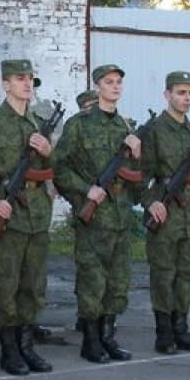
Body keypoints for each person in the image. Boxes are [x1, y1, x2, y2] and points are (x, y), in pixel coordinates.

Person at [0, 59, 53, 375]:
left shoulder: (39, 123)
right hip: (9, 213)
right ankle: (9, 351)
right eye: (20, 79)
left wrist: (47, 151)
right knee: (8, 285)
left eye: (31, 78)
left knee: (34, 285)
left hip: (37, 214)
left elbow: (51, 170)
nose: (27, 84)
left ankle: (27, 346)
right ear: (6, 84)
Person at [53, 64, 140, 364]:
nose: (115, 87)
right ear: (98, 86)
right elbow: (59, 168)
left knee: (118, 281)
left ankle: (108, 337)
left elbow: (137, 177)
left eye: (118, 82)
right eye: (109, 82)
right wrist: (84, 191)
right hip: (94, 216)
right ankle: (91, 341)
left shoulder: (127, 128)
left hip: (120, 216)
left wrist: (137, 155)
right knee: (93, 281)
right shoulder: (79, 124)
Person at [140, 71, 190, 355]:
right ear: (167, 95)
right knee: (163, 272)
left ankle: (182, 328)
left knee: (187, 273)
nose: (186, 98)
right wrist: (150, 202)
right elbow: (139, 176)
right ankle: (164, 332)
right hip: (165, 211)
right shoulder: (155, 131)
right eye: (181, 93)